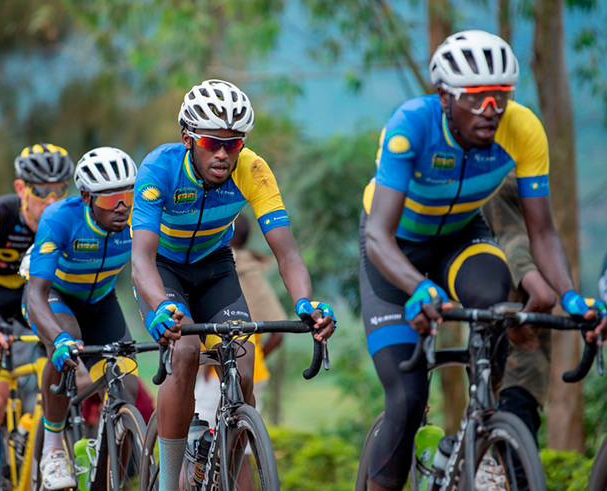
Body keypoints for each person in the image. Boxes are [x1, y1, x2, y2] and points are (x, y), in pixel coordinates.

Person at [359, 30, 607, 491]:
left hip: (460, 236)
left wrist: (572, 295)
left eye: (501, 97)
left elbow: (543, 233)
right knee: (408, 400)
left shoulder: (523, 129)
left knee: (495, 295)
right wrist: (419, 287)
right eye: (477, 98)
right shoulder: (411, 125)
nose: (492, 110)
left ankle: (478, 427)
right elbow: (378, 234)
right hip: (394, 250)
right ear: (445, 96)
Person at [131, 79, 336, 491]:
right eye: (212, 142)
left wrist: (306, 303)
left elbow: (287, 252)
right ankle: (170, 482)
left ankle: (218, 460)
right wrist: (159, 307)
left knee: (244, 366)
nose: (224, 154)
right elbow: (141, 259)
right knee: (186, 350)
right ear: (188, 137)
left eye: (235, 143)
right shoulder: (160, 168)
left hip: (215, 267)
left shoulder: (253, 170)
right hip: (164, 269)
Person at [25, 146, 139, 489]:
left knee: (128, 384)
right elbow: (35, 293)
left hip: (102, 301)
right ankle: (53, 447)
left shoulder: (139, 217)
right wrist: (57, 340)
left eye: (127, 195)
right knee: (68, 347)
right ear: (87, 196)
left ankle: (106, 475)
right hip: (55, 298)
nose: (121, 206)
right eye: (109, 199)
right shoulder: (60, 217)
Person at [0, 143, 73, 491]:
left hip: (34, 300)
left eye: (60, 191)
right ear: (21, 188)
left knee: (63, 378)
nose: (52, 201)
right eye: (42, 192)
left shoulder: (67, 216)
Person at [481, 175, 556, 443]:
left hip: (515, 375)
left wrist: (516, 327)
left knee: (518, 475)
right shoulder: (538, 244)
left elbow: (544, 296)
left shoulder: (513, 244)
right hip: (528, 376)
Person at [193, 214, 285, 427]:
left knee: (203, 435)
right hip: (254, 370)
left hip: (213, 371)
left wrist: (210, 364)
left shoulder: (212, 264)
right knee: (241, 438)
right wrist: (257, 356)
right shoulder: (253, 271)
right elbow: (278, 333)